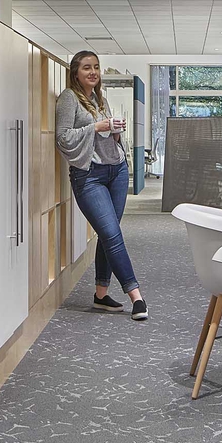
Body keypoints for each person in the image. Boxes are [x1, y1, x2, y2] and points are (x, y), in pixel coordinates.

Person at [55, 51, 148, 320]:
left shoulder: (100, 99)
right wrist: (96, 127)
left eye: (96, 67)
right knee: (111, 234)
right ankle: (136, 296)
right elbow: (62, 137)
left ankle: (101, 295)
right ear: (75, 72)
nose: (93, 72)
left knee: (109, 234)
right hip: (89, 176)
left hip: (116, 171)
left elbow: (105, 136)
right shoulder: (69, 98)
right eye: (87, 67)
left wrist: (114, 131)